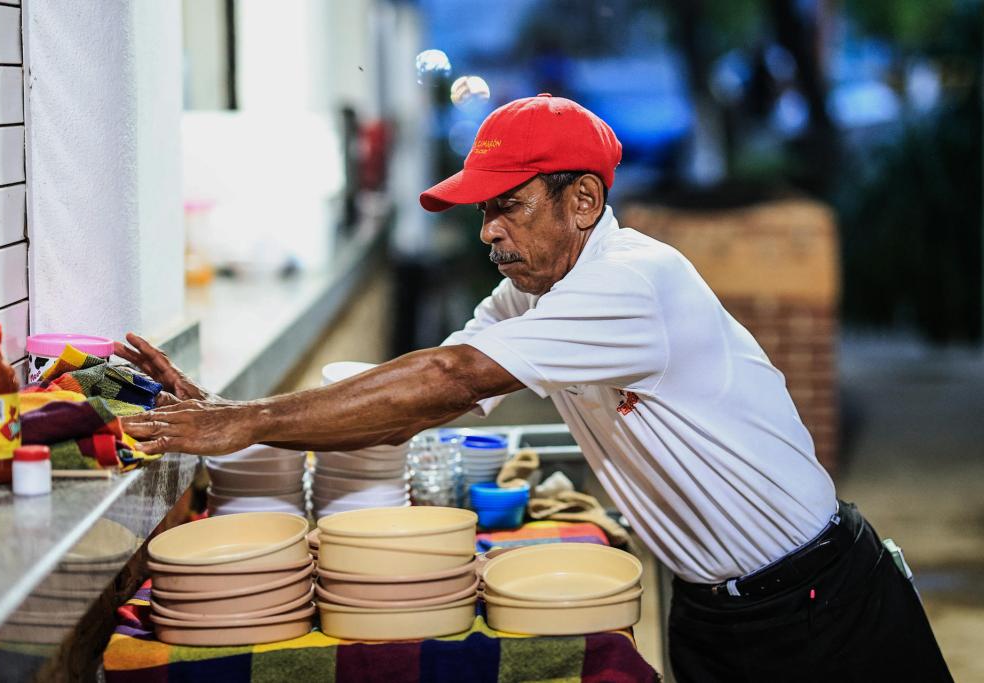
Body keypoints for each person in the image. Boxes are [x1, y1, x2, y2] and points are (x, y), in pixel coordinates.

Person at [120, 94, 951, 681]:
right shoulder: (531, 290)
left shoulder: (633, 281)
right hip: (713, 612)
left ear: (583, 199)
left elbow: (445, 377)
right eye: (481, 212)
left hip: (819, 603)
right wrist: (232, 421)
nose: (488, 231)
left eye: (508, 206)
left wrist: (246, 420)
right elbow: (424, 396)